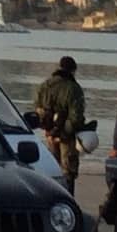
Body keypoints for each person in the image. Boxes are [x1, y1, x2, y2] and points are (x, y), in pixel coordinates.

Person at [35, 55, 87, 194]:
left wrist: (50, 130)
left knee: (52, 171)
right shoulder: (74, 88)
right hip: (67, 138)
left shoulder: (45, 85)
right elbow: (76, 117)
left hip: (49, 134)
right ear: (72, 71)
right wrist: (64, 133)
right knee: (68, 173)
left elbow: (37, 109)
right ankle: (68, 203)